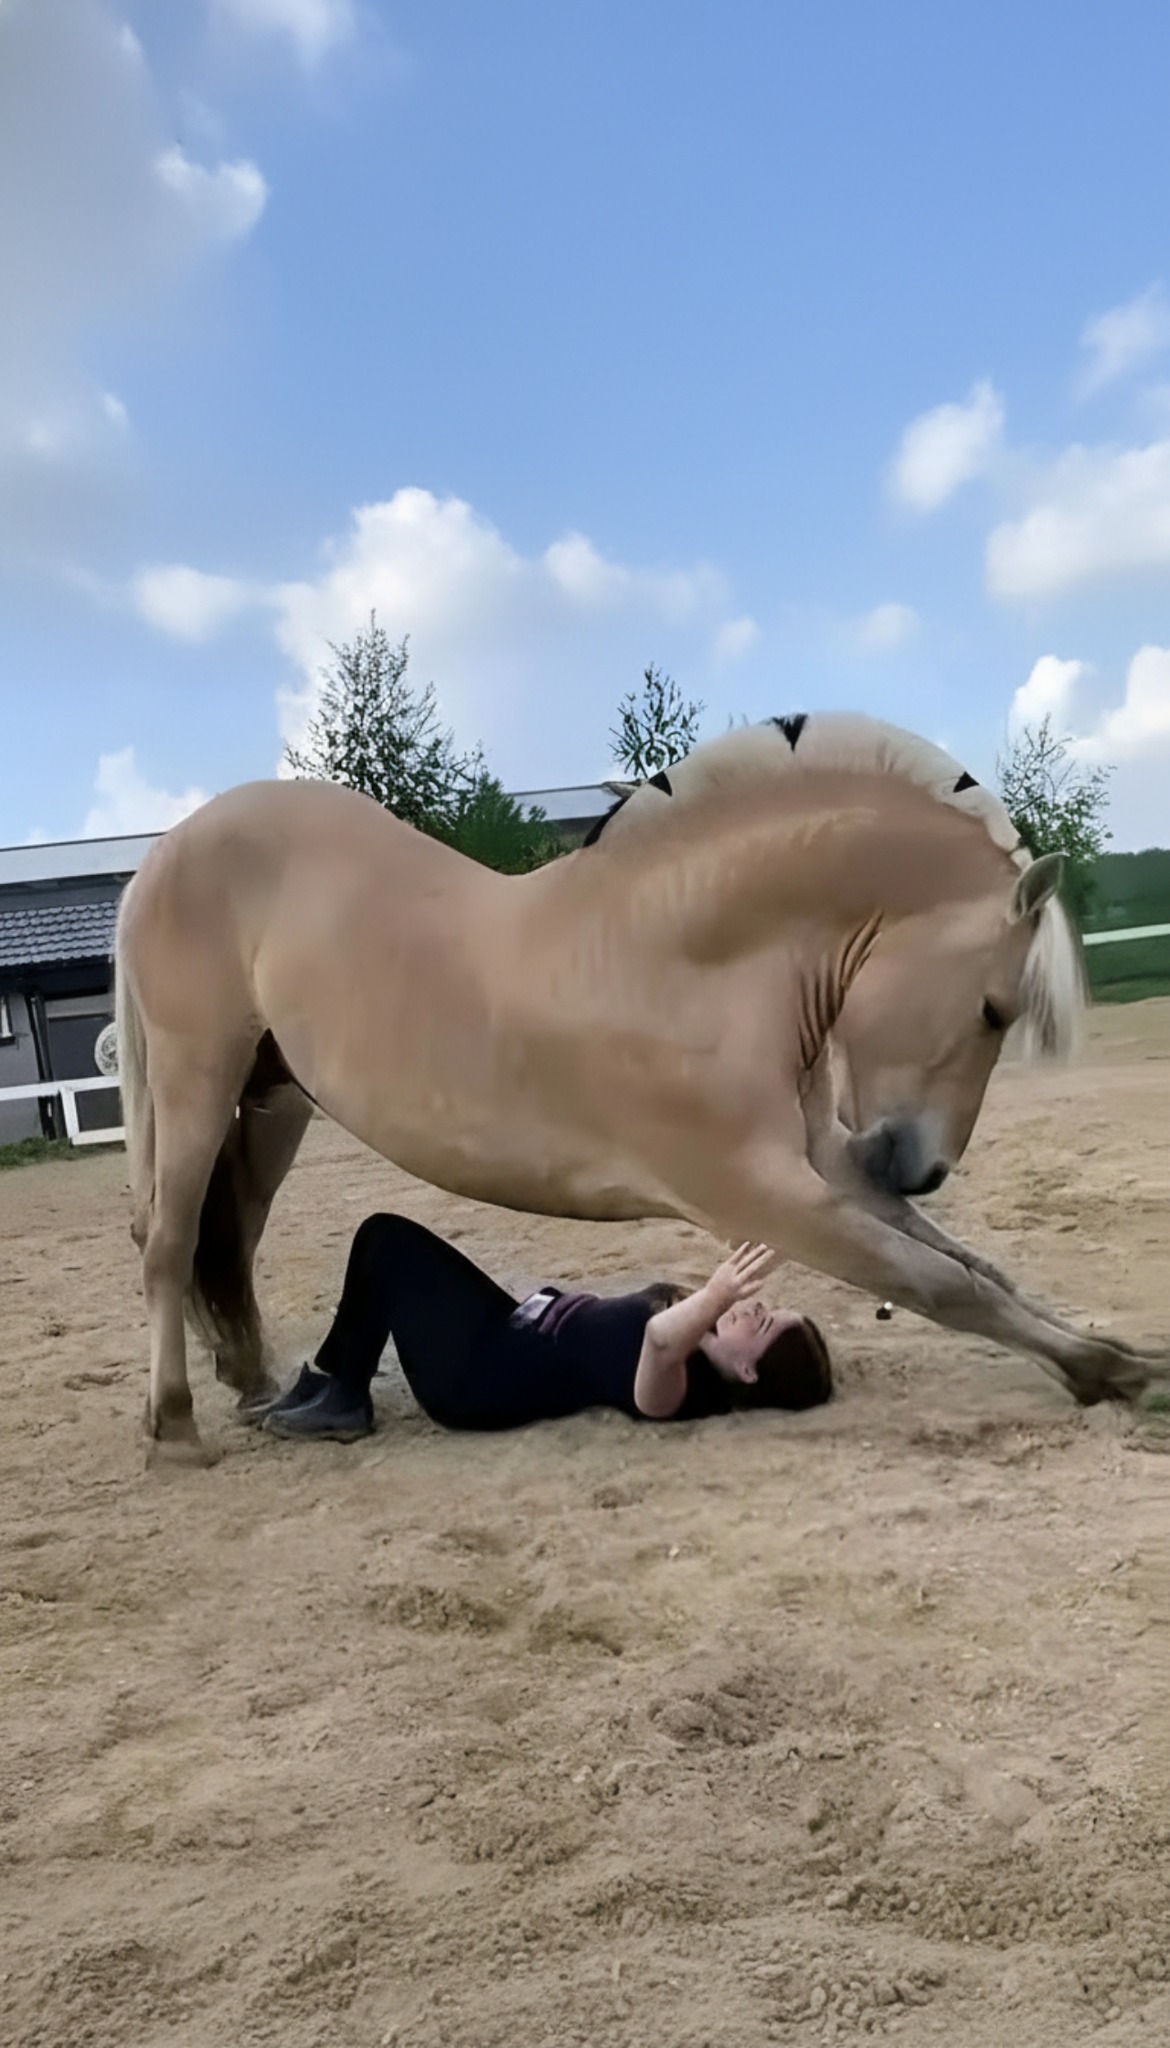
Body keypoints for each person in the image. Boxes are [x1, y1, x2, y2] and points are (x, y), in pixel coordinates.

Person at [258, 1214, 833, 1443]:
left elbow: (659, 1341)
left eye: (761, 1322)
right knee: (384, 1236)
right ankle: (336, 1380)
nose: (753, 1308)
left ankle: (345, 1395)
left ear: (748, 1370)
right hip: (509, 1322)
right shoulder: (700, 1333)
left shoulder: (684, 1392)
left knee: (388, 1244)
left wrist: (716, 1296)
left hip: (478, 1377)